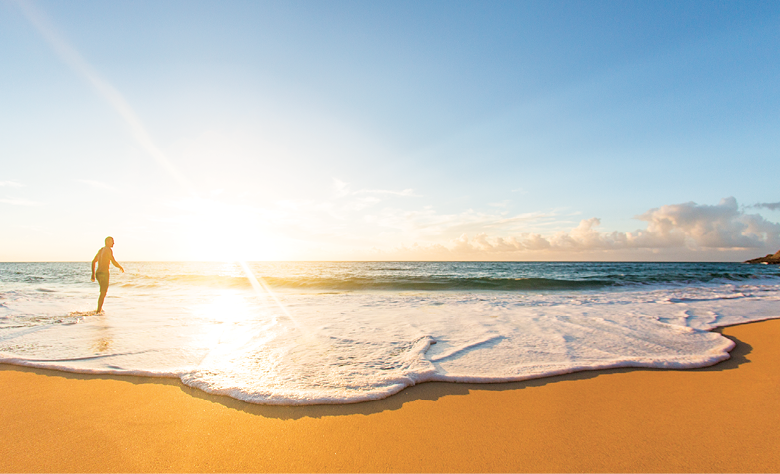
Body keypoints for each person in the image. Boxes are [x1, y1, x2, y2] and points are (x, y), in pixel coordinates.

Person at [91, 236, 124, 314]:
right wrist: (120, 267)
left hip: (98, 273)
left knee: (102, 292)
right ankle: (98, 311)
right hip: (104, 273)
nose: (113, 243)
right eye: (112, 241)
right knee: (103, 292)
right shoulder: (108, 250)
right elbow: (113, 261)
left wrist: (93, 274)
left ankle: (98, 310)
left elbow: (93, 262)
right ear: (107, 242)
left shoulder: (101, 250)